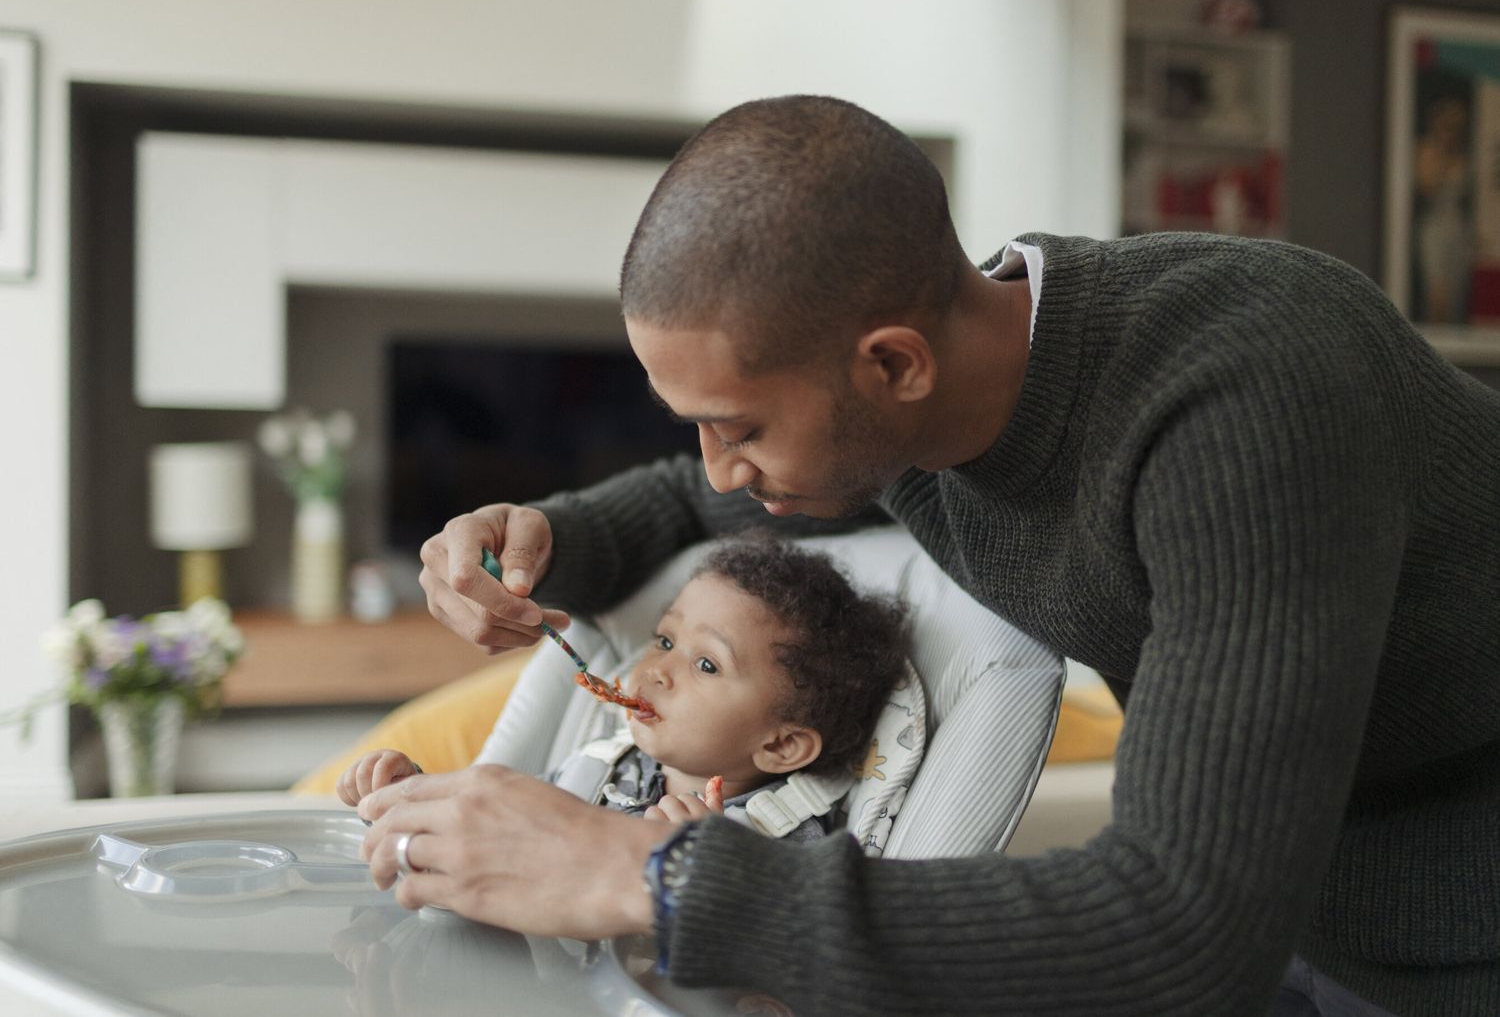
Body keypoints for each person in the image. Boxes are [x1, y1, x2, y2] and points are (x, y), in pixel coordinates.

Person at [360, 95, 1500, 1016]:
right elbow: (685, 507)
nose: (717, 468)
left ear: (894, 365)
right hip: (1285, 897)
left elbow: (1184, 933)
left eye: (742, 428)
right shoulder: (915, 407)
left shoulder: (1246, 404)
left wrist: (636, 875)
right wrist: (543, 539)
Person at [342, 535, 906, 840]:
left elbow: (784, 967)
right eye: (664, 640)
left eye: (706, 666)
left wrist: (715, 877)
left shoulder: (783, 845)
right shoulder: (606, 766)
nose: (656, 669)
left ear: (781, 745)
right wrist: (414, 795)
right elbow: (498, 826)